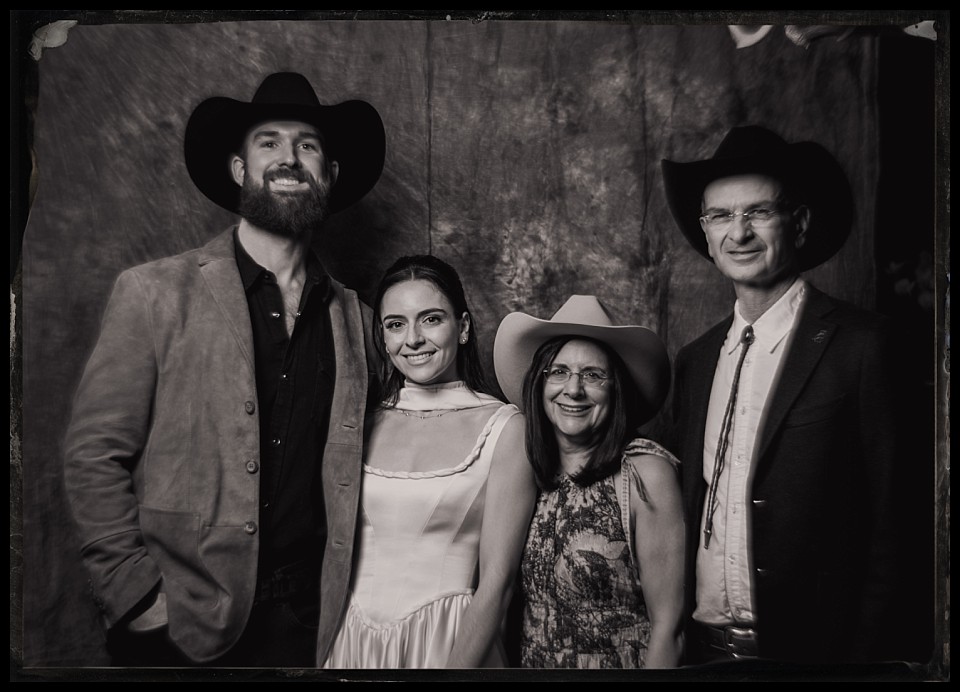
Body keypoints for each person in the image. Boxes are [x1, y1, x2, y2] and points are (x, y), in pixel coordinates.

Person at [62, 72, 385, 667]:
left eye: (308, 145)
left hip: (310, 625)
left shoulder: (358, 320)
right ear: (240, 170)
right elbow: (94, 454)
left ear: (330, 175)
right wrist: (136, 596)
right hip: (177, 624)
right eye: (269, 142)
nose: (289, 158)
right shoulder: (154, 292)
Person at [661, 125, 900, 664]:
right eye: (721, 216)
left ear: (800, 222)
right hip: (701, 653)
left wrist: (865, 664)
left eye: (759, 212)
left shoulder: (862, 345)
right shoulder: (696, 361)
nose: (738, 232)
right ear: (705, 233)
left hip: (816, 657)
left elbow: (895, 526)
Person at [322, 254, 537, 669]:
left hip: (449, 642)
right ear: (382, 338)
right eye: (396, 324)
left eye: (431, 319)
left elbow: (499, 582)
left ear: (464, 327)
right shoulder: (357, 424)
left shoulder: (506, 428)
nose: (413, 339)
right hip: (349, 641)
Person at [493, 295, 685, 669]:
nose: (574, 389)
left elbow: (670, 629)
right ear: (540, 382)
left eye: (593, 375)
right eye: (559, 371)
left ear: (617, 389)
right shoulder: (530, 472)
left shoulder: (644, 471)